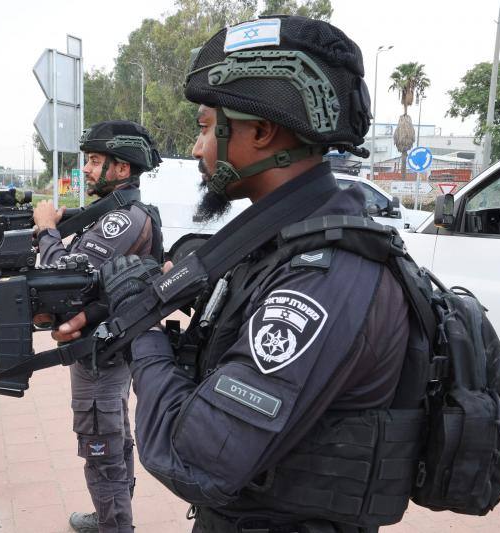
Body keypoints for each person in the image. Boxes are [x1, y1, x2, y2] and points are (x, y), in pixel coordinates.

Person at [56, 16, 425, 533]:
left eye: (206, 127)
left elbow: (193, 457)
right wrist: (121, 302)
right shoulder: (277, 242)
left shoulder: (322, 277)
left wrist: (141, 331)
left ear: (260, 131)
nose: (197, 147)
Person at [33, 120, 163, 533]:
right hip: (106, 346)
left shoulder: (120, 220)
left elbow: (65, 277)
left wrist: (47, 230)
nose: (85, 170)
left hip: (101, 353)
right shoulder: (113, 212)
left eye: (93, 161)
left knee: (100, 444)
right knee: (113, 435)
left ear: (122, 168)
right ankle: (113, 517)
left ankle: (114, 525)